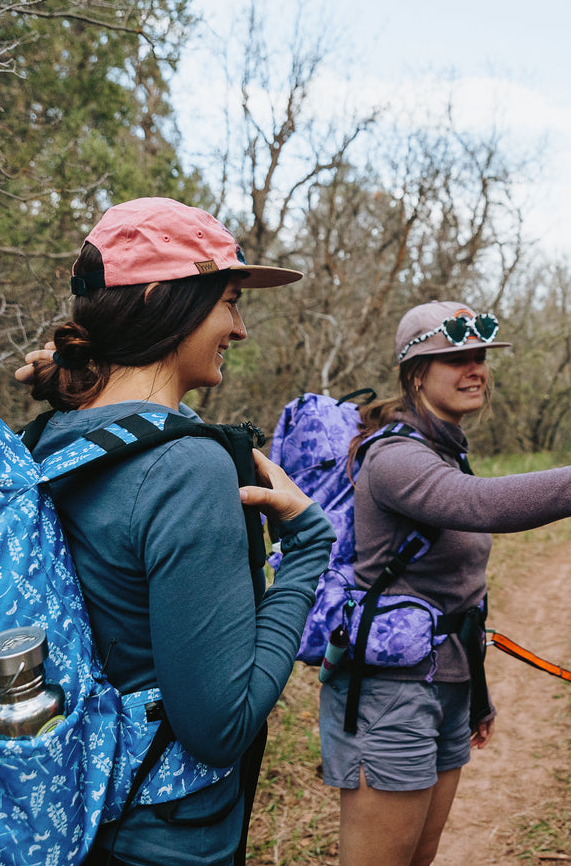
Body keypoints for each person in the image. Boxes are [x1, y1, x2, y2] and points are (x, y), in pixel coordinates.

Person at [21, 197, 336, 866]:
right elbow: (220, 727)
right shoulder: (184, 466)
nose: (240, 328)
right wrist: (307, 550)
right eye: (228, 301)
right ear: (166, 298)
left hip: (66, 813)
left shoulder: (46, 437)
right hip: (164, 836)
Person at [324, 300, 571, 866]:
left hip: (446, 685)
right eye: (456, 358)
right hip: (390, 695)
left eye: (481, 357)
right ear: (416, 372)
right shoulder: (392, 457)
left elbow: (462, 595)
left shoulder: (443, 453)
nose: (476, 369)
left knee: (419, 857)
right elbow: (481, 504)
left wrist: (476, 695)